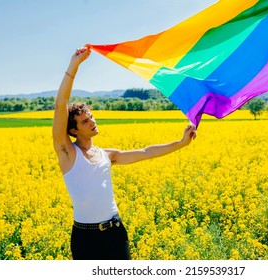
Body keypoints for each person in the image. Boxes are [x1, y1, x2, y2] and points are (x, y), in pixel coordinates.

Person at [52, 47, 197, 260]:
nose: (92, 121)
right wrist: (75, 64)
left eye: (91, 116)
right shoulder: (67, 152)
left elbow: (146, 152)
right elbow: (60, 104)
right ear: (73, 130)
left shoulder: (107, 155)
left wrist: (181, 143)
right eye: (85, 121)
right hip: (85, 237)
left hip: (115, 232)